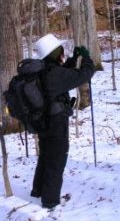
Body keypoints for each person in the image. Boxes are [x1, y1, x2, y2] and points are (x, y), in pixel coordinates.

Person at [30, 34, 95, 210]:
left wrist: (75, 58)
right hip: (56, 124)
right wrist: (87, 58)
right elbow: (85, 74)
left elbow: (65, 72)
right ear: (56, 53)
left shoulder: (43, 70)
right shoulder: (55, 74)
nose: (63, 53)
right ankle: (50, 202)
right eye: (61, 51)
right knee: (56, 160)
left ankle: (38, 191)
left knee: (45, 156)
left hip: (43, 122)